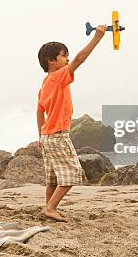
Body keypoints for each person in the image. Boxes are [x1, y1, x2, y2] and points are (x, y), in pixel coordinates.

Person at [36, 25, 106, 221]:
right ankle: (50, 208)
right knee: (72, 174)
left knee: (53, 178)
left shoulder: (45, 83)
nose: (67, 59)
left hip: (48, 136)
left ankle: (47, 208)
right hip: (58, 135)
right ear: (51, 61)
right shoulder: (58, 77)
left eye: (67, 55)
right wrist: (97, 37)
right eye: (64, 55)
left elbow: (39, 111)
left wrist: (40, 135)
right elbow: (79, 60)